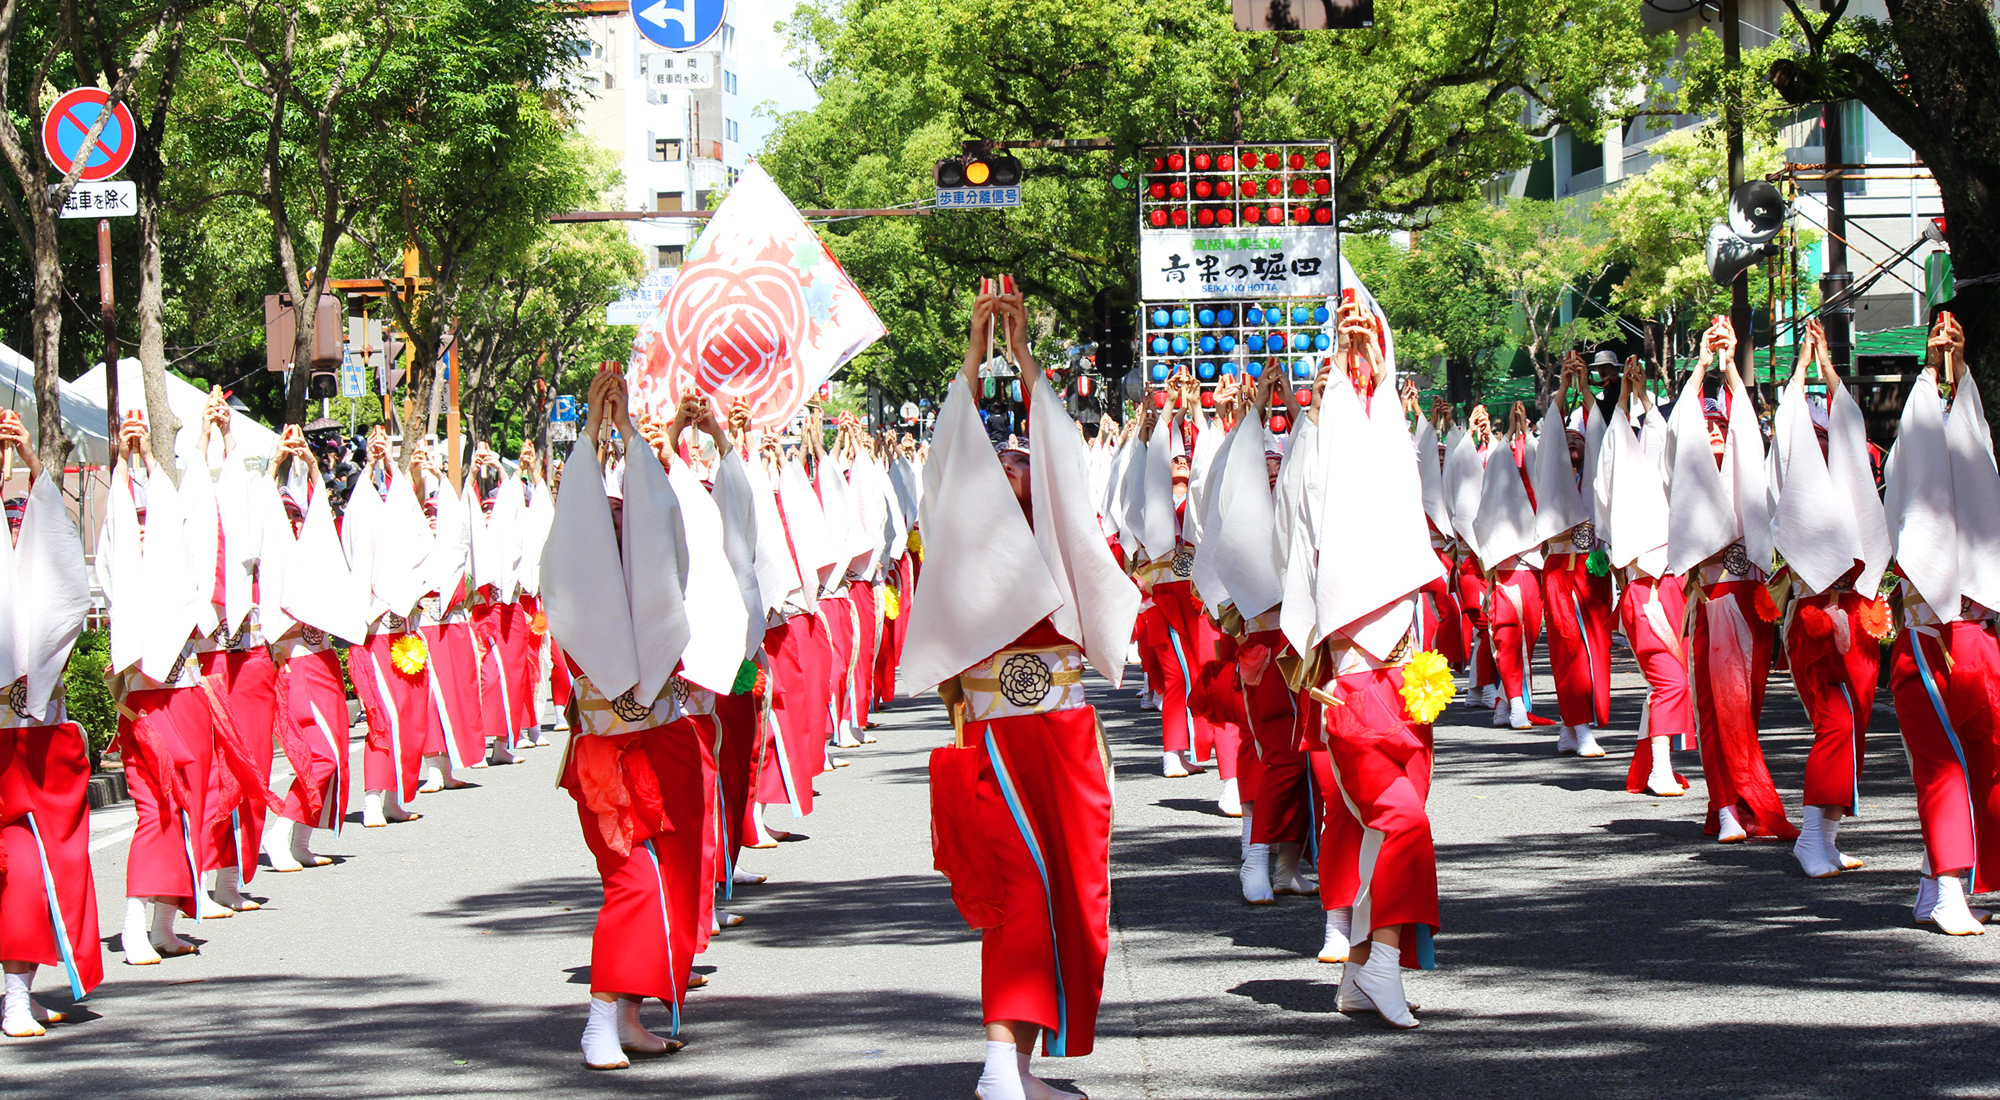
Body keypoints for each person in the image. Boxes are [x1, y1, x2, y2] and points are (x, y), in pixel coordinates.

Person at [908, 280, 1138, 1100]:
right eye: (998, 458)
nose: (1010, 463)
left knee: (1072, 889)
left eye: (1020, 459)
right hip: (1000, 738)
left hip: (1065, 733)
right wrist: (976, 360)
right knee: (1018, 891)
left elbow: (1065, 460)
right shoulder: (966, 536)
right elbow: (947, 465)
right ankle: (1002, 1063)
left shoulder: (1056, 527)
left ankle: (1021, 1062)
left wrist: (1027, 356)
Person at [543, 364, 706, 1068]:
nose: (618, 522)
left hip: (665, 740)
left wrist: (635, 436)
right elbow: (577, 523)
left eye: (624, 518)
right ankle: (599, 1019)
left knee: (666, 879)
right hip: (610, 755)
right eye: (608, 519)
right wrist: (592, 437)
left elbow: (660, 522)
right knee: (632, 882)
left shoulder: (650, 575)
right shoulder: (585, 593)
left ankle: (633, 1014)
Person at [1882, 312, 1999, 933]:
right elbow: (1920, 466)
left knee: (1984, 759)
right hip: (1926, 642)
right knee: (1942, 764)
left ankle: (1936, 880)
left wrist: (1960, 370)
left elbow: (1970, 455)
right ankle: (1951, 886)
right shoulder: (1908, 447)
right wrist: (1930, 372)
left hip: (1975, 638)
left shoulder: (1973, 445)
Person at [1771, 319, 1891, 878]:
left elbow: (1847, 424)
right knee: (1835, 724)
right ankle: (1811, 837)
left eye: (1827, 438)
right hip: (1814, 614)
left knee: (1856, 724)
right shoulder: (1795, 479)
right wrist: (1800, 372)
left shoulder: (1846, 474)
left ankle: (1827, 835)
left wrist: (1828, 371)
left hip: (1857, 612)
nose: (1822, 443)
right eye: (1813, 437)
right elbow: (1789, 427)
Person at [0, 409, 98, 1035]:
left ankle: (18, 989)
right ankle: (12, 994)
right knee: (20, 866)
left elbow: (61, 566)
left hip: (40, 726)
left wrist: (35, 465)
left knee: (44, 864)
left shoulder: (30, 513)